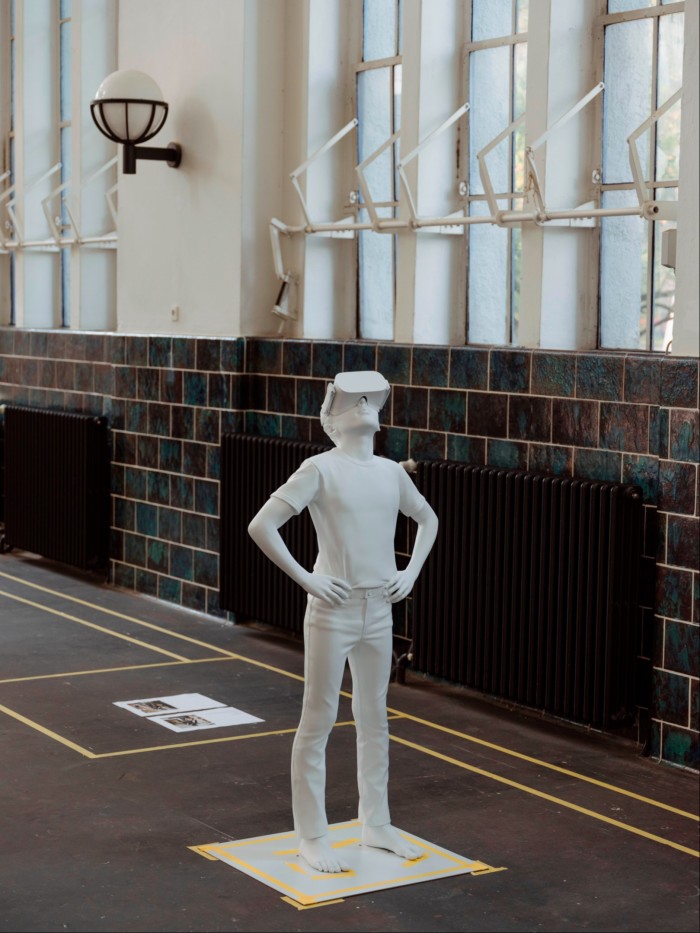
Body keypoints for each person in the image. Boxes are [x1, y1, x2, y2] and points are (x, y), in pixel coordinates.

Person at [248, 371, 439, 873]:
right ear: (333, 421)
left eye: (369, 402)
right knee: (320, 719)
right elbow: (261, 525)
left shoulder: (391, 472)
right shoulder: (319, 469)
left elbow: (428, 519)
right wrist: (308, 580)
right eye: (354, 402)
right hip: (332, 610)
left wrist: (410, 571)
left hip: (380, 608)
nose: (365, 408)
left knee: (374, 718)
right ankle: (311, 834)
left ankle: (375, 823)